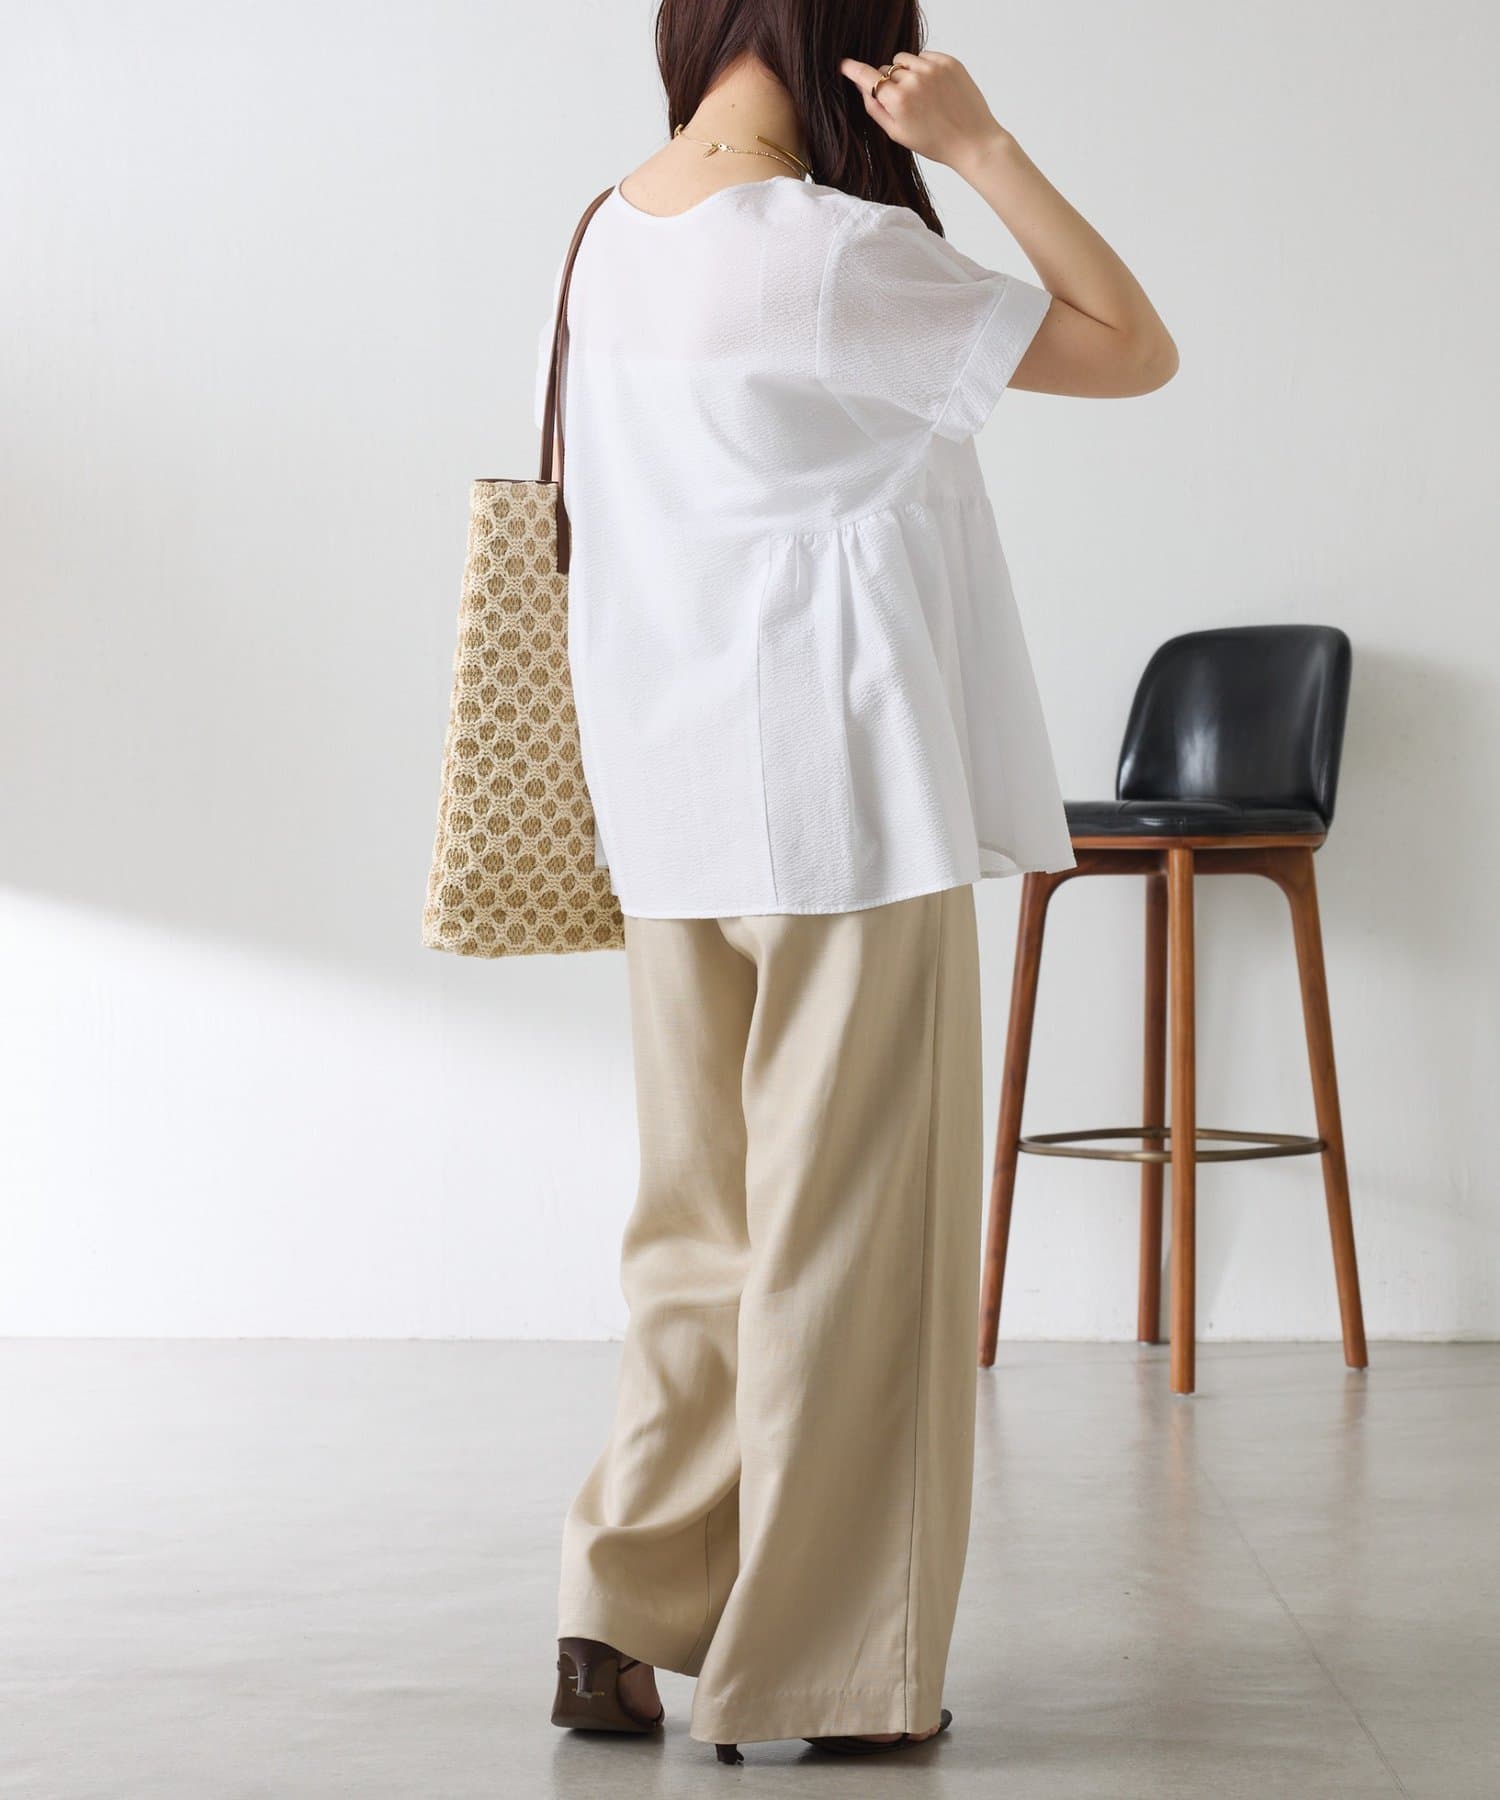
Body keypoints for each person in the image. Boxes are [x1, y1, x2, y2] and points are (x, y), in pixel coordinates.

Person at [540, 0, 1176, 1764]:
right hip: (840, 802)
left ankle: (620, 1614)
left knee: (699, 1227)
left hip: (665, 795)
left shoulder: (608, 234)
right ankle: (828, 1672)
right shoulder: (833, 251)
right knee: (856, 1244)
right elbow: (1133, 346)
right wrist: (978, 145)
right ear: (856, 32)